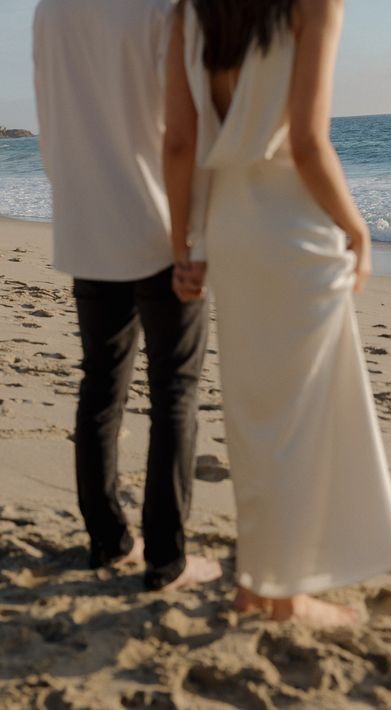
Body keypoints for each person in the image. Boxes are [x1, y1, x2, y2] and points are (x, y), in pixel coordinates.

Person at [163, 0, 391, 626]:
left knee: (255, 416)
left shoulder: (190, 12)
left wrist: (185, 247)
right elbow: (306, 142)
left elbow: (181, 141)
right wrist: (359, 230)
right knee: (303, 418)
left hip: (232, 226)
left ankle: (257, 582)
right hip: (292, 230)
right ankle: (286, 595)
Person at [33, 0, 221, 591]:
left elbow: (54, 120)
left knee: (100, 388)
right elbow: (180, 137)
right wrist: (190, 237)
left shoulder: (48, 11)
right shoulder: (163, 7)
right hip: (157, 227)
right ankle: (167, 561)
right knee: (174, 394)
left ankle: (108, 543)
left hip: (87, 224)